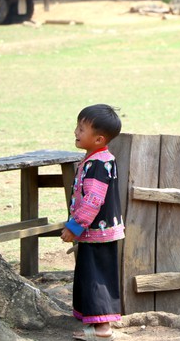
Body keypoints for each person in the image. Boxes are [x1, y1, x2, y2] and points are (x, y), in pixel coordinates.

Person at [61, 104, 125, 340]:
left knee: (97, 277)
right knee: (88, 273)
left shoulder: (98, 164)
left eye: (81, 129)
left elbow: (93, 200)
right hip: (96, 231)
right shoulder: (96, 158)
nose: (76, 132)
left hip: (97, 231)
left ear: (98, 139)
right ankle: (88, 317)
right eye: (77, 126)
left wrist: (74, 226)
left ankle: (102, 328)